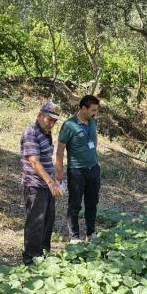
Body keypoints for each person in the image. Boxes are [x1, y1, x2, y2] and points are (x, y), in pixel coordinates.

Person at [20, 102, 63, 266]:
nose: (51, 123)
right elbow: (34, 162)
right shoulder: (31, 133)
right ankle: (30, 259)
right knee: (35, 222)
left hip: (46, 184)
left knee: (48, 220)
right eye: (49, 119)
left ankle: (43, 253)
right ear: (39, 115)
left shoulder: (45, 132)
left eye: (54, 121)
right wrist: (51, 183)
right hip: (35, 185)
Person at [56, 95, 101, 243]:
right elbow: (60, 149)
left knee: (92, 203)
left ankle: (90, 234)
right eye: (93, 110)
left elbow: (93, 140)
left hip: (93, 169)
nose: (95, 113)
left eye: (97, 110)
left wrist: (94, 158)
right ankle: (74, 237)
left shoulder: (93, 121)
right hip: (77, 170)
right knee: (75, 205)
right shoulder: (69, 125)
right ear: (83, 108)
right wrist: (59, 171)